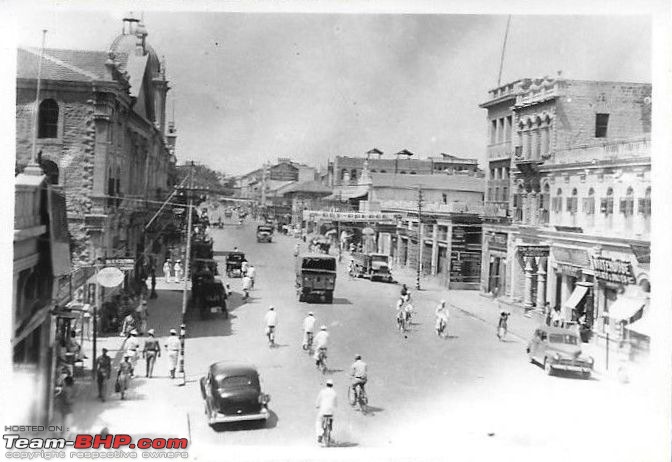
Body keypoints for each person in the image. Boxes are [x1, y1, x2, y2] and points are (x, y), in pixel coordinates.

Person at [315, 379, 337, 443]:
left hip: (323, 411)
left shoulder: (322, 391)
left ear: (326, 385)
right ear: (332, 385)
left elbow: (318, 399)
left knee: (318, 421)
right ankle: (329, 432)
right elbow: (336, 404)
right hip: (331, 411)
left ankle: (319, 435)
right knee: (331, 419)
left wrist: (317, 405)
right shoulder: (334, 392)